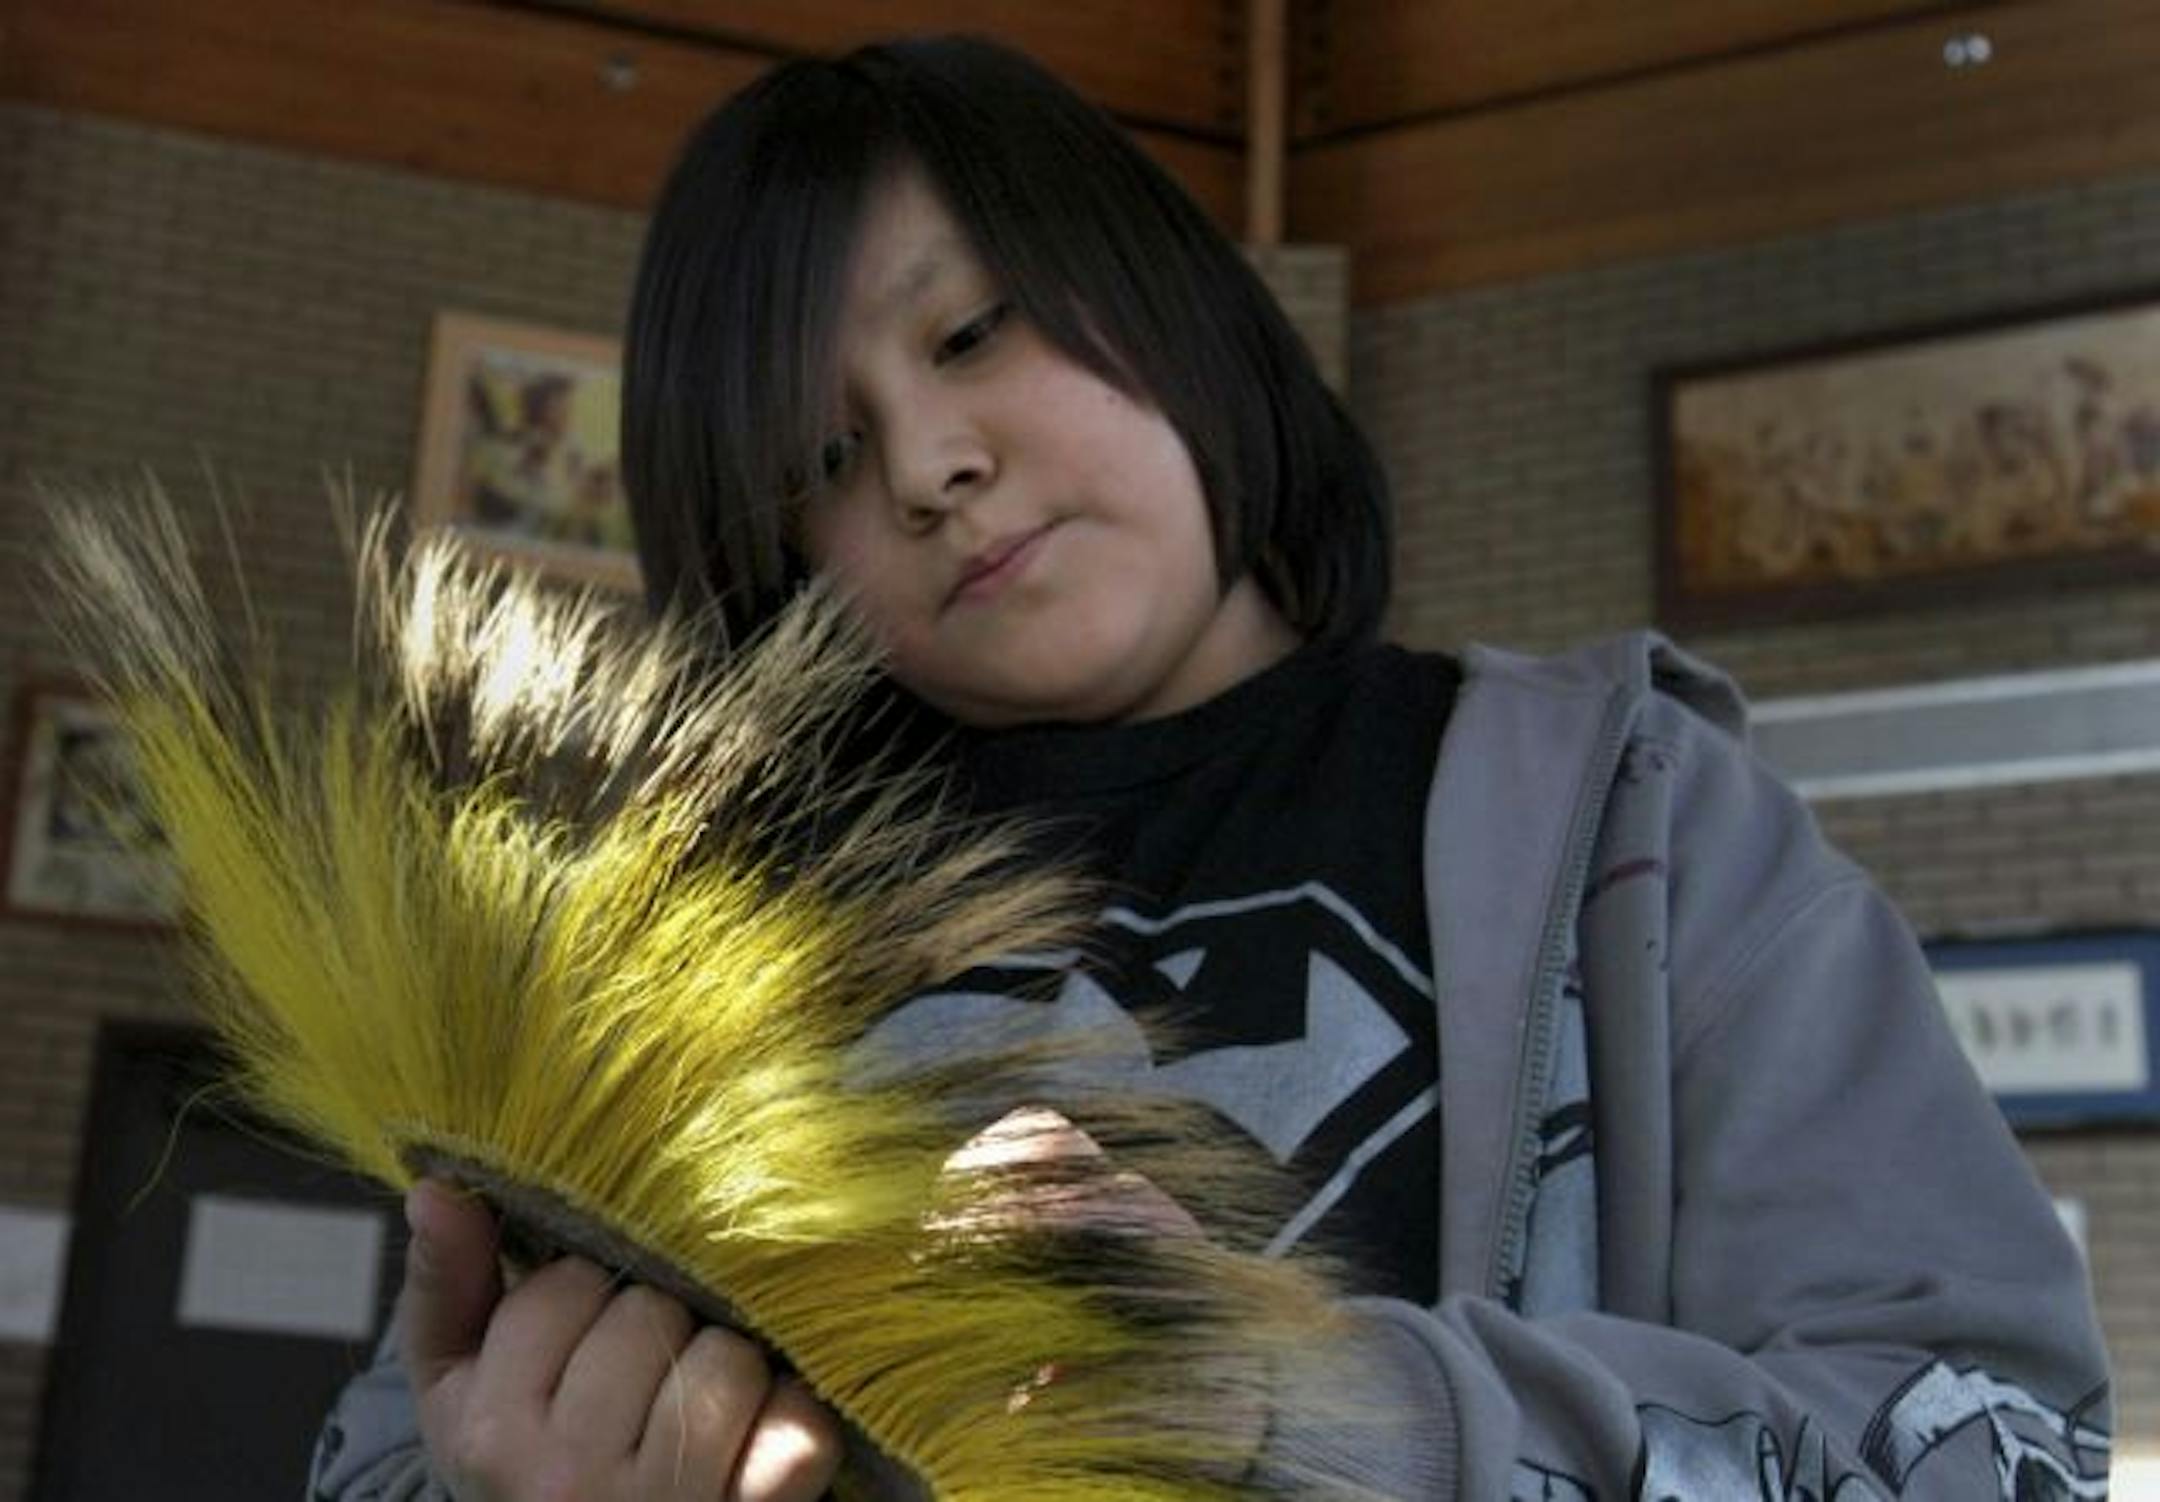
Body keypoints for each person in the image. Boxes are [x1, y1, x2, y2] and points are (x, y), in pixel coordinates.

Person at [311, 34, 2112, 1502]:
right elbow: (374, 1460)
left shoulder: (1637, 818)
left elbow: (1991, 1447)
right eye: (819, 455)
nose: (930, 461)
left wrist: (1295, 1404)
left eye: (969, 330)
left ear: (1166, 294)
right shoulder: (667, 966)